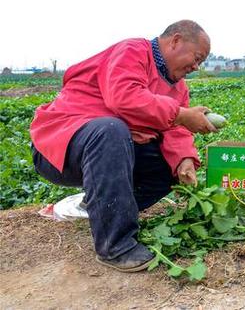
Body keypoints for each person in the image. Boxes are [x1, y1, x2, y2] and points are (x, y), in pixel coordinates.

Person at [30, 20, 217, 272]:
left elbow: (176, 130)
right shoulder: (132, 52)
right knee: (111, 130)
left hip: (107, 150)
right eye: (196, 58)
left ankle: (101, 207)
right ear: (175, 41)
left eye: (200, 63)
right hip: (59, 149)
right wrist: (182, 114)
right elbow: (124, 97)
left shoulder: (178, 88)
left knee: (167, 164)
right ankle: (115, 246)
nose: (195, 67)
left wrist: (184, 159)